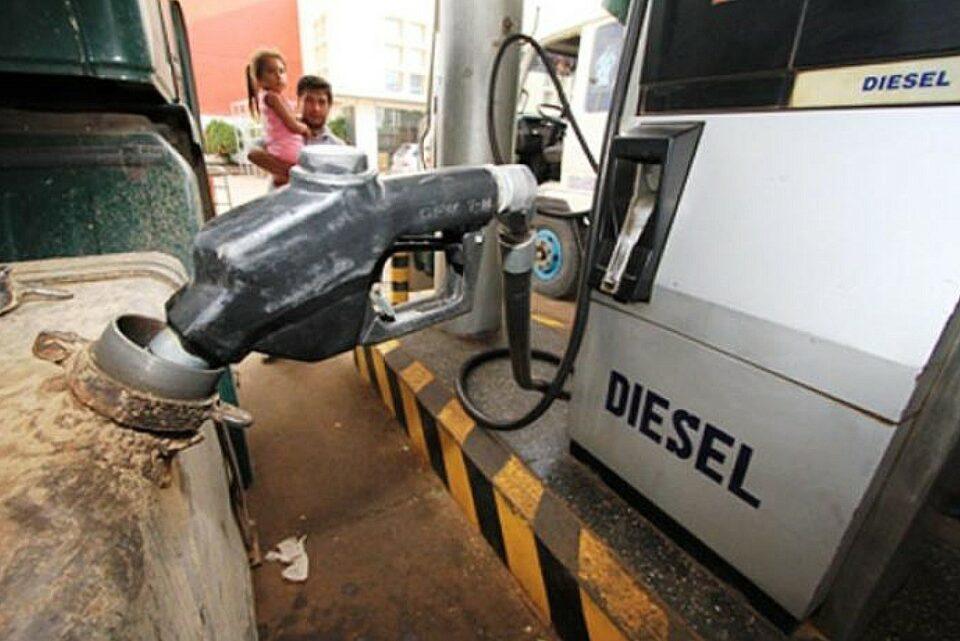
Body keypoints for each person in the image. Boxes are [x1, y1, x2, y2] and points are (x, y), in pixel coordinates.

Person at [248, 75, 343, 184]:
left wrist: (282, 170)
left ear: (329, 106)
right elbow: (253, 153)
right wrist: (303, 175)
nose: (316, 108)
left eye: (321, 102)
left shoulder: (338, 148)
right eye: (309, 100)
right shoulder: (283, 132)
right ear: (299, 102)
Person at [245, 49, 311, 186]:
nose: (278, 76)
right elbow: (292, 125)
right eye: (271, 72)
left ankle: (281, 178)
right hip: (287, 149)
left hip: (280, 148)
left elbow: (293, 116)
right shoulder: (272, 97)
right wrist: (305, 129)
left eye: (281, 71)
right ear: (259, 79)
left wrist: (300, 103)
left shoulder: (275, 98)